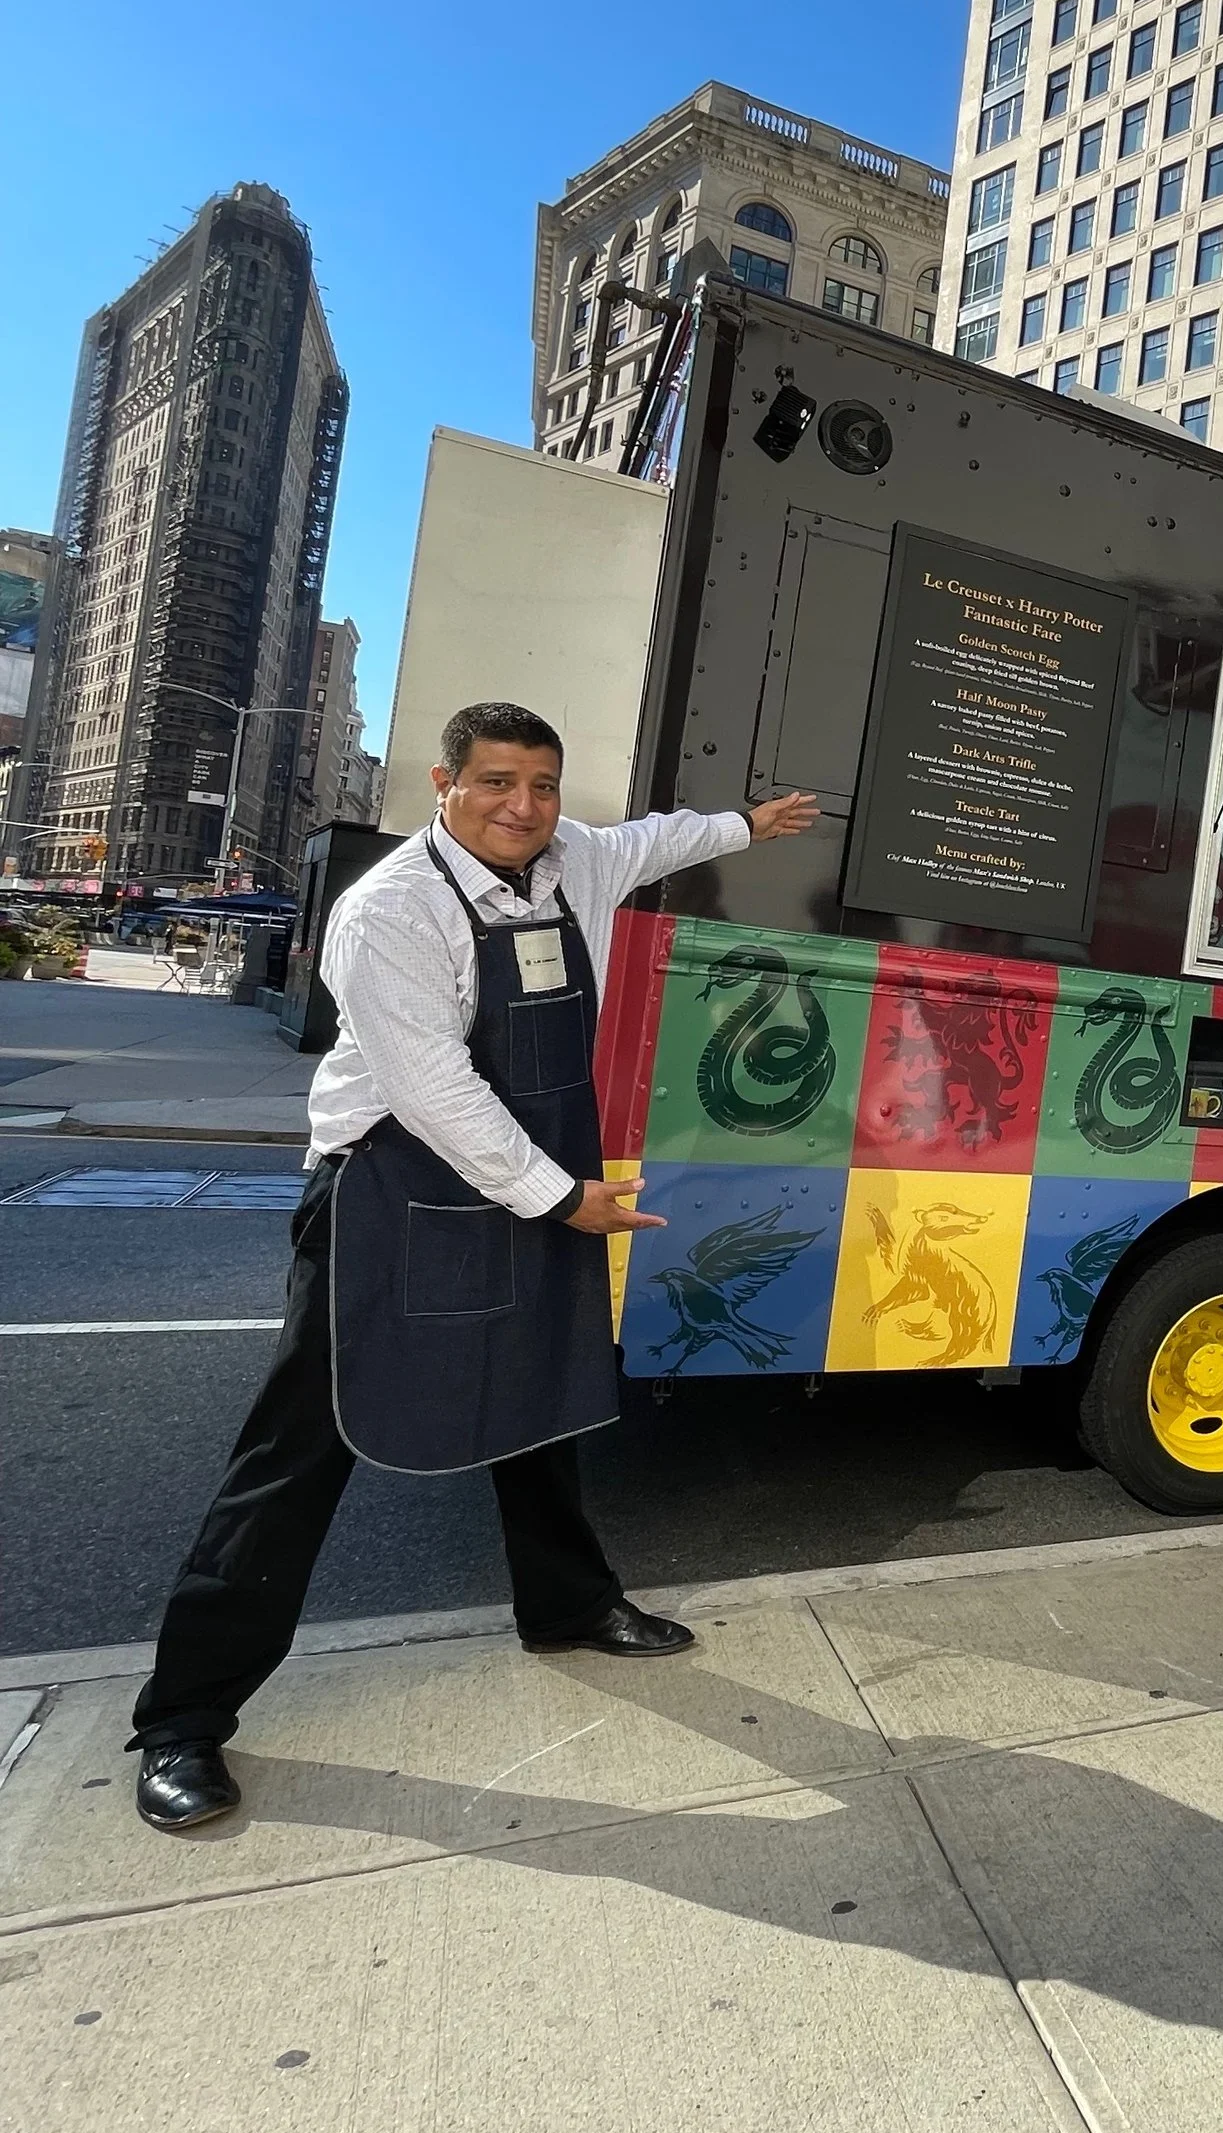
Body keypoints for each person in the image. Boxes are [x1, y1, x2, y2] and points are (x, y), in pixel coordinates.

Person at [127, 702, 821, 1833]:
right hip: (391, 1191)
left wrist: (746, 824)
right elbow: (437, 1093)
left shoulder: (573, 859)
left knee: (544, 1403)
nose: (524, 808)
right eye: (497, 783)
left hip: (530, 1180)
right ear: (445, 785)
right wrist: (560, 1197)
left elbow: (656, 839)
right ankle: (182, 1720)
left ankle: (567, 1605)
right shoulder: (388, 912)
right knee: (301, 1447)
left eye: (543, 786)